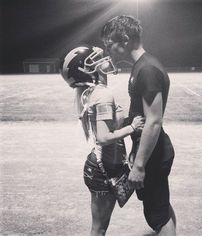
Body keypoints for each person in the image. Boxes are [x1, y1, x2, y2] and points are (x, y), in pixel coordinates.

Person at [101, 15, 176, 235]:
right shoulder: (140, 66)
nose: (108, 51)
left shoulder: (148, 69)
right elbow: (142, 116)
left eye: (110, 45)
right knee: (160, 205)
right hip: (150, 149)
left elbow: (154, 121)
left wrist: (140, 166)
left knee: (157, 215)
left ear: (124, 39)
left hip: (154, 153)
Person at [60, 45, 144, 236]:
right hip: (102, 168)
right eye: (96, 59)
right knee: (99, 228)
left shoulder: (96, 92)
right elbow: (104, 137)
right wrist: (132, 128)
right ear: (86, 70)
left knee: (100, 227)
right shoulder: (103, 94)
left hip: (104, 164)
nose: (105, 60)